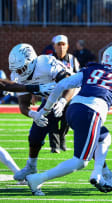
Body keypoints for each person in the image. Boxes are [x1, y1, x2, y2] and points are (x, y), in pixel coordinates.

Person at [26, 45, 112, 196]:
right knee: (80, 161)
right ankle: (37, 179)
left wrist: (46, 109)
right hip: (91, 113)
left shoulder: (90, 70)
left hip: (73, 109)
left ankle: (98, 173)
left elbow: (62, 85)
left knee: (104, 137)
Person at [8, 43, 74, 184]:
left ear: (31, 60)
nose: (19, 72)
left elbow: (70, 82)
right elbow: (23, 104)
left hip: (74, 97)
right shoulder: (18, 74)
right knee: (35, 134)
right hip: (51, 100)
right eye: (16, 69)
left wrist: (63, 101)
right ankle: (31, 166)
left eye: (22, 68)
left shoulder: (45, 63)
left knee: (85, 132)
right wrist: (33, 115)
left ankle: (102, 168)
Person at [49, 34, 81, 153]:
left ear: (67, 46)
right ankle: (54, 145)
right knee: (52, 119)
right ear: (54, 46)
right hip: (52, 93)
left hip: (68, 95)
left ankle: (62, 138)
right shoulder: (48, 59)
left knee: (66, 119)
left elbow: (79, 76)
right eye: (59, 45)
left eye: (63, 44)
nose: (61, 47)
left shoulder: (73, 60)